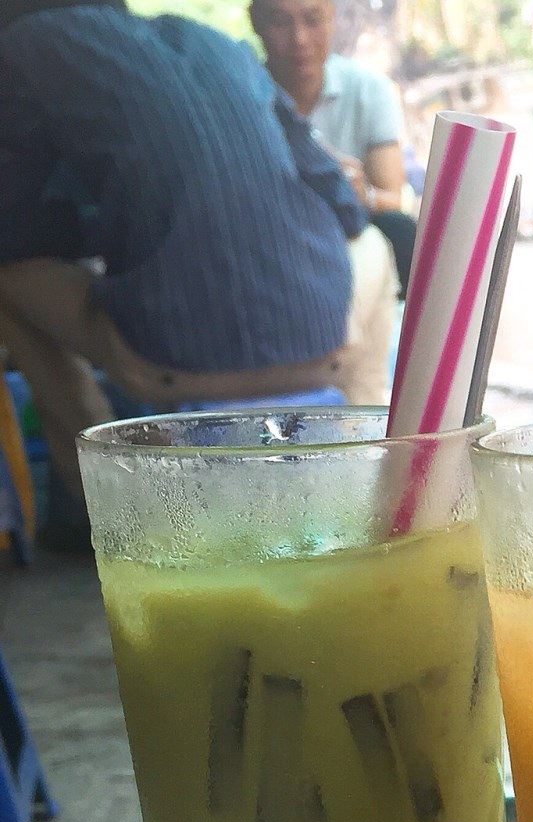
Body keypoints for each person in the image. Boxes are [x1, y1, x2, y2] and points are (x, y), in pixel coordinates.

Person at [0, 0, 398, 547]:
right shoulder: (216, 44)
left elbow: (14, 225)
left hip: (166, 361)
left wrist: (106, 226)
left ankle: (114, 520)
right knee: (374, 241)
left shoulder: (22, 48)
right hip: (325, 347)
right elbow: (342, 202)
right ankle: (372, 466)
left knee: (7, 279)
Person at [251, 0, 417, 296]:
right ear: (256, 23)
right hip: (273, 241)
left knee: (399, 229)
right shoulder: (240, 97)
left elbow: (393, 197)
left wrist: (361, 193)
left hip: (352, 237)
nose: (299, 38)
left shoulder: (368, 90)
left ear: (332, 18)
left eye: (313, 19)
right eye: (280, 21)